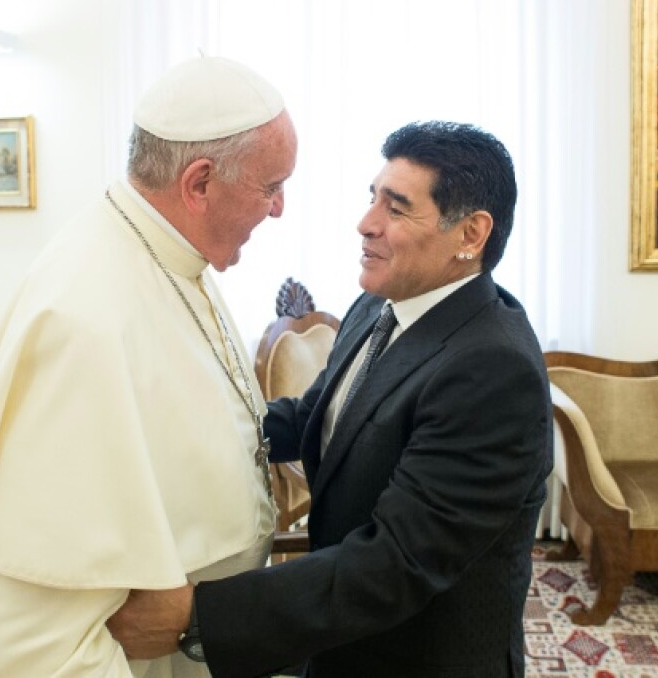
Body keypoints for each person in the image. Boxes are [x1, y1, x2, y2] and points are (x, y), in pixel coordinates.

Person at [107, 121, 552, 678]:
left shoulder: (492, 369)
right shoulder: (378, 307)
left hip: (419, 659)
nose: (365, 224)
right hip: (344, 639)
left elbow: (398, 562)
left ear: (470, 234)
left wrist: (197, 617)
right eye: (373, 198)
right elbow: (318, 418)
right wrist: (176, 429)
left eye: (397, 207)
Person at [0, 55, 298, 677]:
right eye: (270, 187)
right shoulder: (83, 318)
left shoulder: (170, 255)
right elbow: (41, 643)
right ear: (200, 183)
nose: (279, 208)